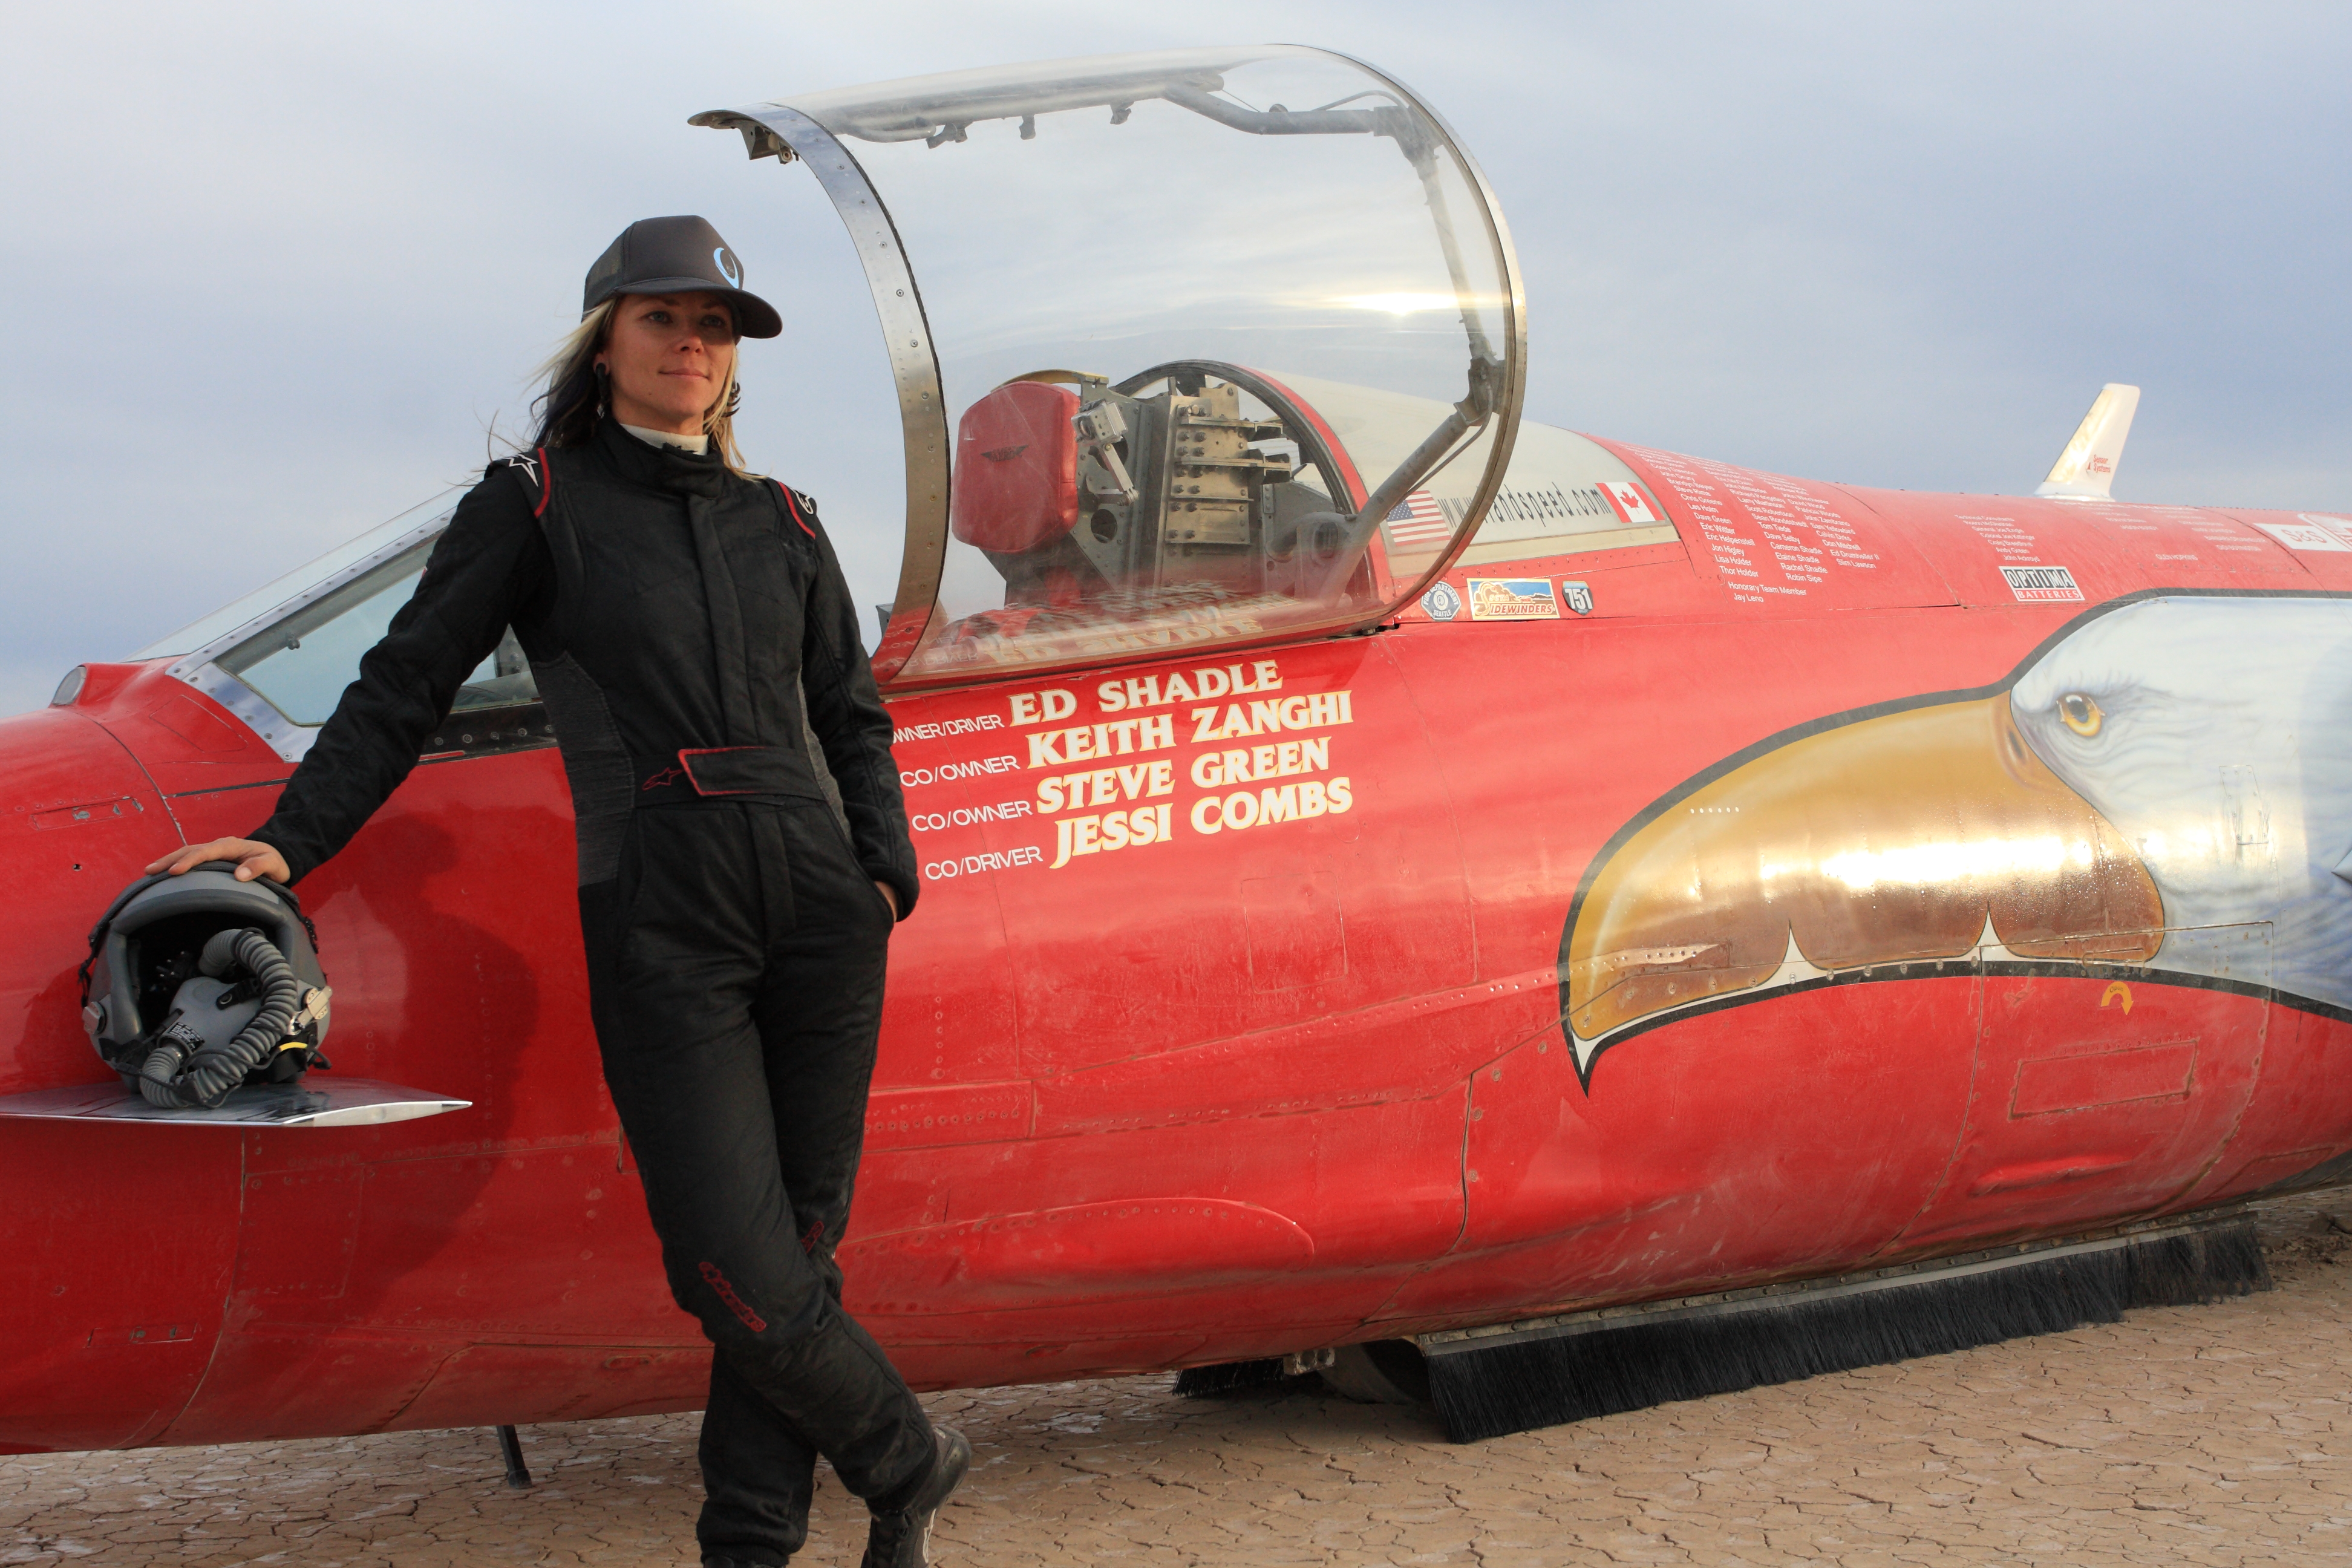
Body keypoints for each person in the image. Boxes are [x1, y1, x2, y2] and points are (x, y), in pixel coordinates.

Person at [146, 215, 968, 1568]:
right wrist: (290, 844)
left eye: (714, 327)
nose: (692, 345)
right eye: (664, 319)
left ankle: (748, 1546)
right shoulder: (533, 502)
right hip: (665, 914)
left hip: (823, 915)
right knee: (731, 1266)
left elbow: (850, 714)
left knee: (799, 1255)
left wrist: (885, 874)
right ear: (606, 338)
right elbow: (404, 683)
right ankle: (909, 1453)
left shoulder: (786, 521)